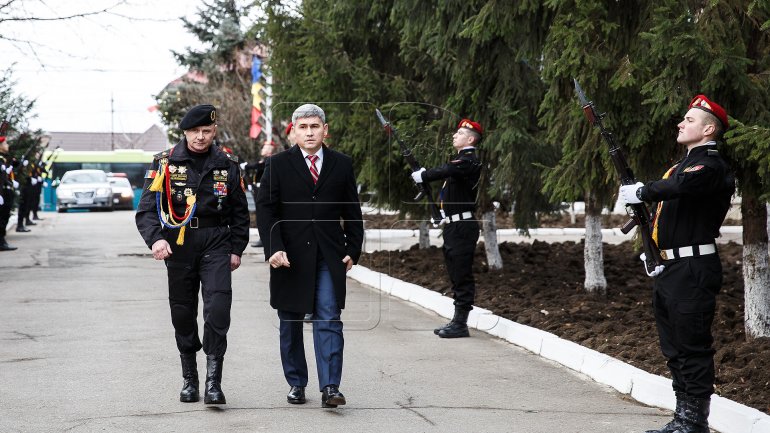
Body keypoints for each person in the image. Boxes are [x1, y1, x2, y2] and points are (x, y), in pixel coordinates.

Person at [618, 94, 734, 433]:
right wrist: (654, 248)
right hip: (671, 268)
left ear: (709, 128)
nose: (681, 124)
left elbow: (681, 187)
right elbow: (670, 210)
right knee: (674, 347)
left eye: (690, 120)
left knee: (692, 347)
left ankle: (694, 422)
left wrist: (644, 191)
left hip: (694, 269)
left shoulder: (709, 164)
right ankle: (682, 418)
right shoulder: (681, 165)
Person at [135, 104, 250, 405]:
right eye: (195, 131)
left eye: (207, 131)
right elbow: (146, 210)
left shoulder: (227, 164)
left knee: (218, 309)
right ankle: (190, 379)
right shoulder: (165, 163)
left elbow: (239, 212)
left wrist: (237, 248)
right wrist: (156, 241)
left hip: (216, 242)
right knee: (183, 312)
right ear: (184, 132)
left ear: (214, 132)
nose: (201, 137)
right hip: (180, 244)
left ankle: (214, 383)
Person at [255, 104, 363, 408]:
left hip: (329, 256)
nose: (310, 132)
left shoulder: (341, 164)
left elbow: (352, 211)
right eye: (303, 127)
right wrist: (274, 247)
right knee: (290, 320)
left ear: (325, 130)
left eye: (315, 126)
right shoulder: (277, 165)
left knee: (328, 316)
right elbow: (266, 211)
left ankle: (330, 386)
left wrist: (353, 249)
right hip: (289, 257)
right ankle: (296, 383)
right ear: (293, 132)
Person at [411, 118, 482, 338]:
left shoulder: (468, 160)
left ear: (470, 139)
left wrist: (423, 174)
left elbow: (446, 170)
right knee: (455, 273)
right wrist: (443, 215)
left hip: (463, 227)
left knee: (462, 275)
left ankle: (461, 324)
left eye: (459, 133)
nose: (454, 135)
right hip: (454, 225)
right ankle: (457, 321)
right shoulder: (460, 162)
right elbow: (453, 192)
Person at [0, 136, 18, 251]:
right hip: (2, 191)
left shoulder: (4, 158)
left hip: (7, 190)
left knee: (5, 216)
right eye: (5, 143)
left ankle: (2, 240)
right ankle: (1, 242)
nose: (7, 146)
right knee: (1, 217)